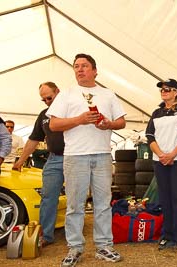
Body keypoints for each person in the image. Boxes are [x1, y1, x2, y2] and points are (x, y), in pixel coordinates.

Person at [47, 53, 126, 266]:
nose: (79, 69)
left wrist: (108, 124)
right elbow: (53, 125)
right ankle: (74, 248)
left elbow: (121, 122)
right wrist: (79, 120)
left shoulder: (108, 94)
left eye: (84, 66)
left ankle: (104, 246)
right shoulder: (66, 94)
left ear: (95, 71)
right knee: (75, 205)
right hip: (74, 156)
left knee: (103, 204)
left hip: (102, 154)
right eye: (76, 66)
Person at [145, 78, 177, 256]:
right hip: (160, 161)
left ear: (176, 92)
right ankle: (169, 235)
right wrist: (161, 155)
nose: (164, 91)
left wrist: (172, 154)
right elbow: (150, 136)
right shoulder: (156, 112)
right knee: (165, 198)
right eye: (161, 89)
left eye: (167, 89)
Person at [13, 81, 64, 246]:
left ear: (58, 91)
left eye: (49, 98)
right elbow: (34, 139)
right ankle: (46, 236)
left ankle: (74, 237)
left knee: (75, 198)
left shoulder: (71, 109)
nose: (47, 102)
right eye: (44, 100)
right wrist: (20, 161)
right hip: (54, 158)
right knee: (48, 197)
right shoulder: (44, 115)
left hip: (75, 158)